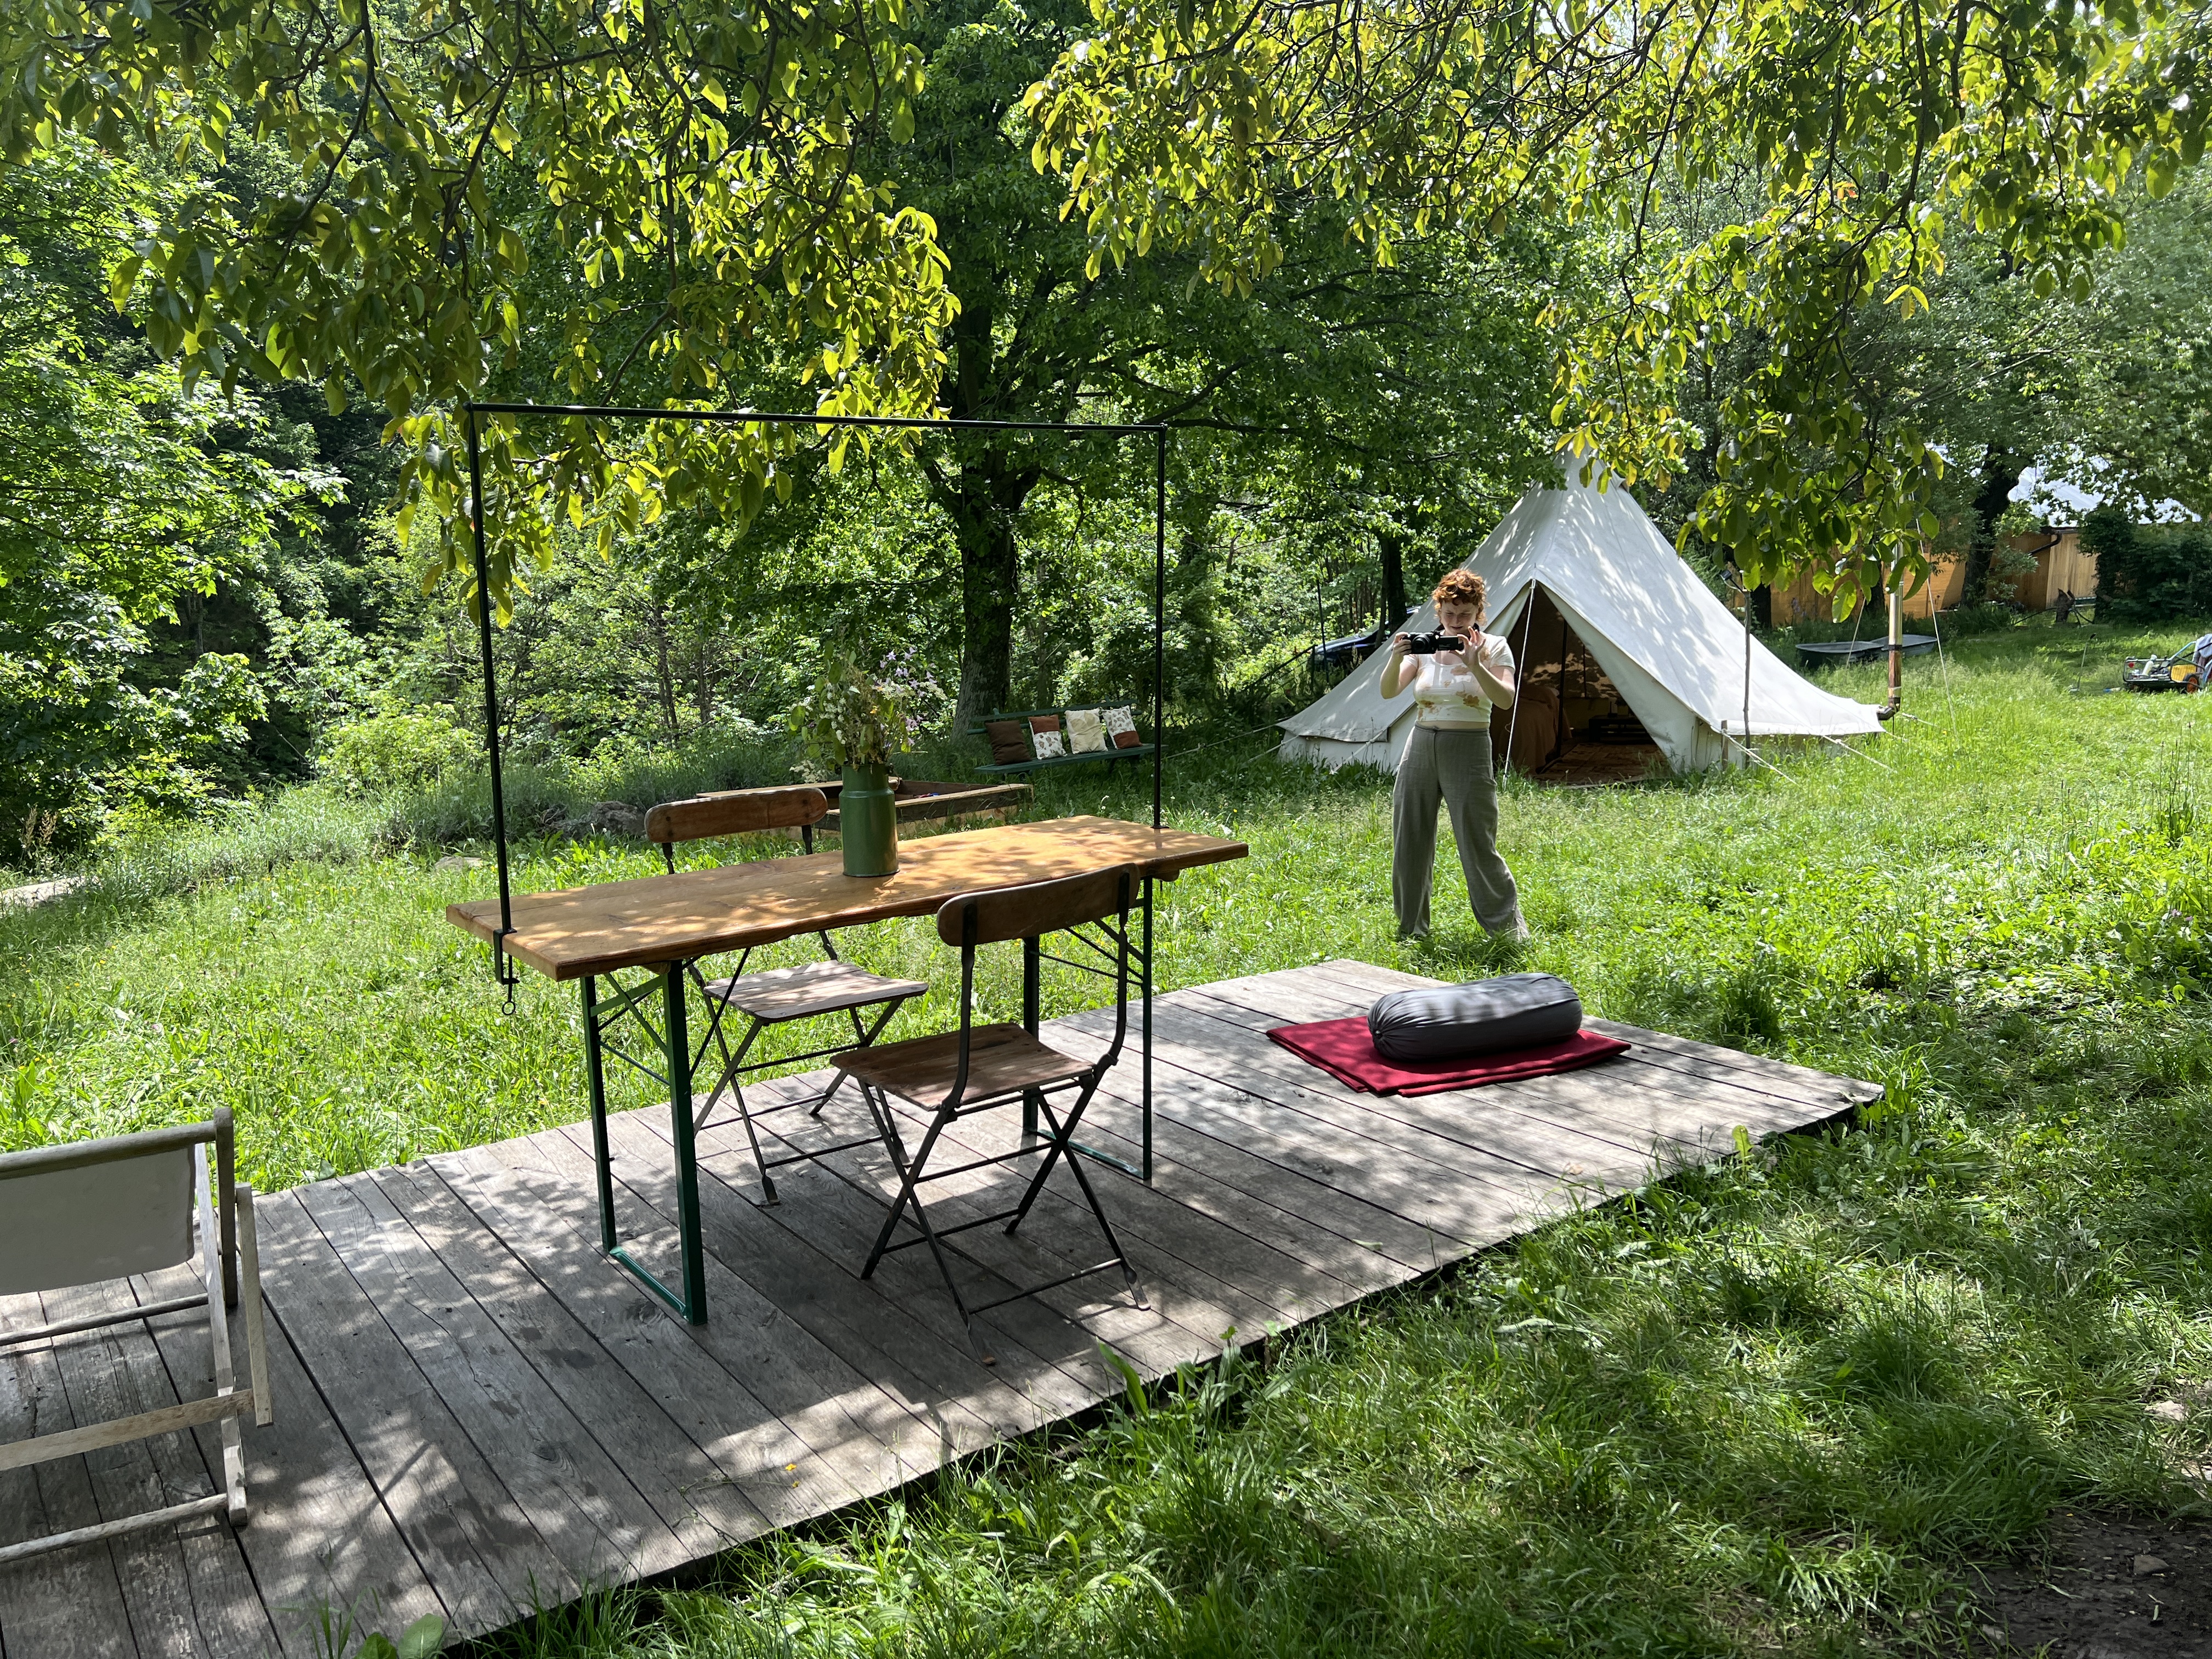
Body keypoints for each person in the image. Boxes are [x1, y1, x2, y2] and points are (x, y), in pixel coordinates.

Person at [1380, 569, 1526, 940]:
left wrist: (1476, 662)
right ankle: (1411, 929)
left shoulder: (1495, 647)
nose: (1455, 622)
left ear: (1479, 611)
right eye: (1448, 614)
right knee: (1409, 837)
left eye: (1464, 615)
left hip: (1469, 746)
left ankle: (1506, 930)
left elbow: (1506, 700)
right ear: (1439, 610)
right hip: (1421, 744)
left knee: (1478, 840)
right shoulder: (1426, 648)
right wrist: (1396, 658)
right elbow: (1388, 691)